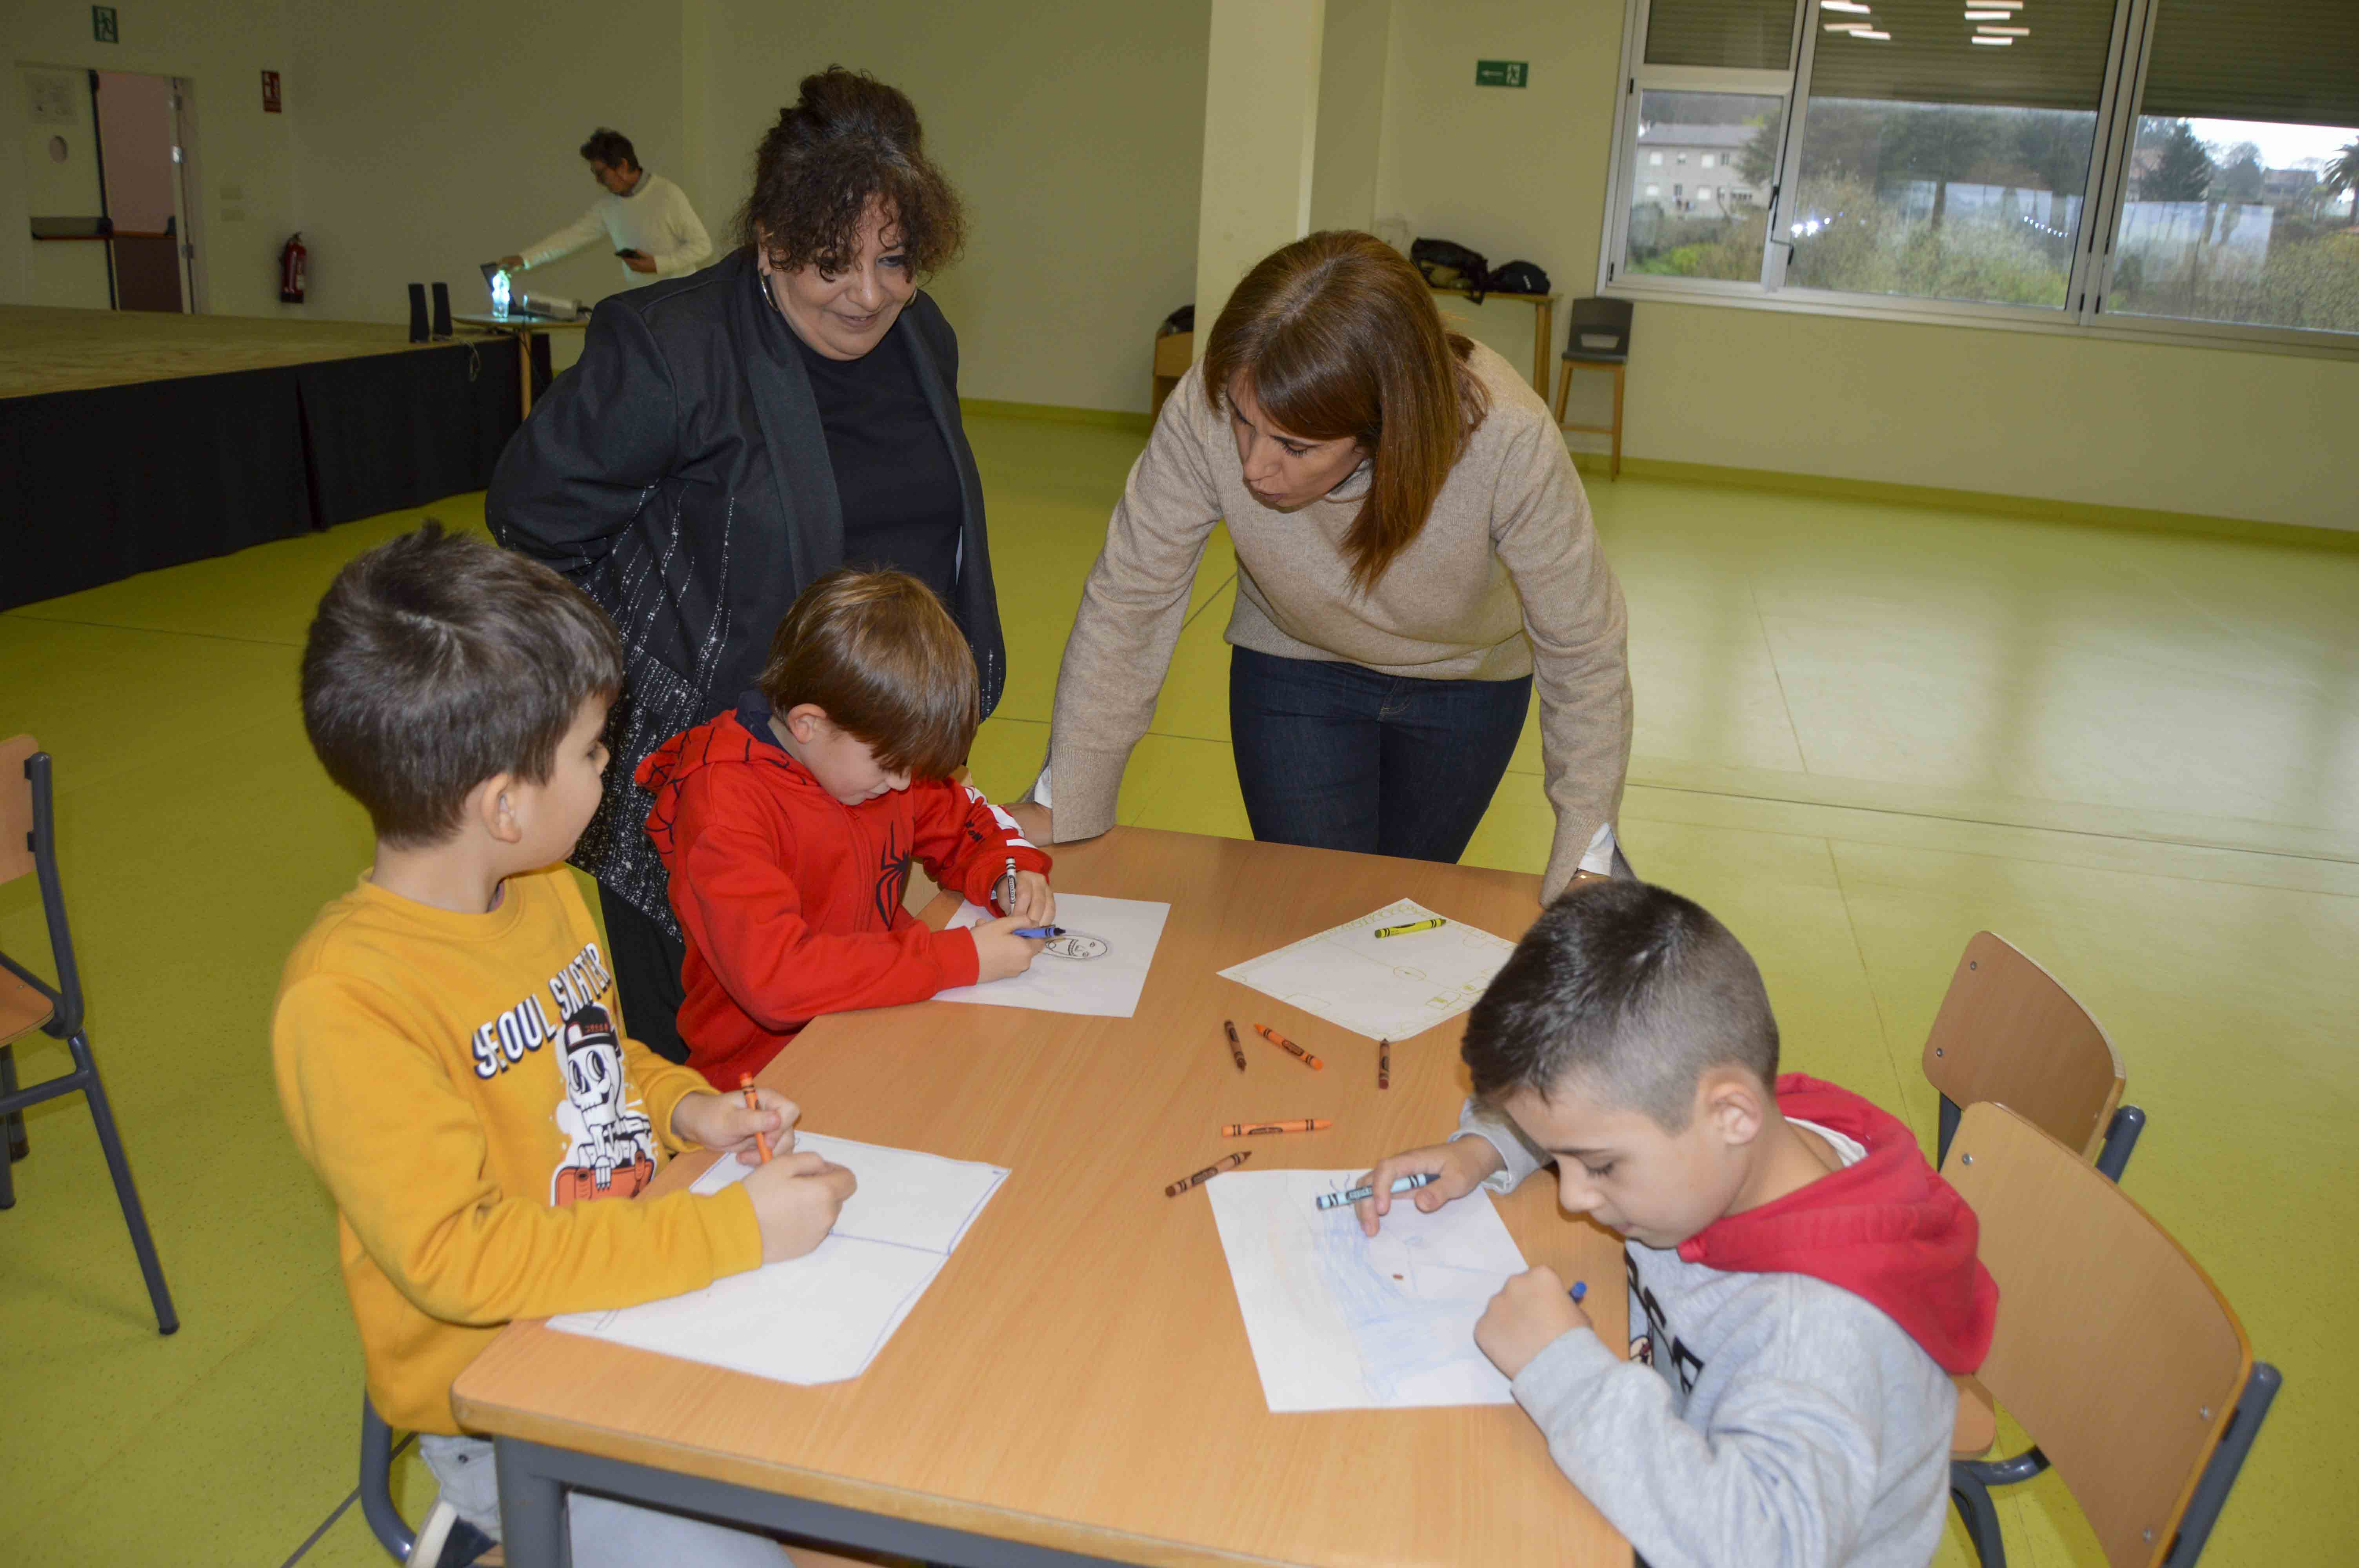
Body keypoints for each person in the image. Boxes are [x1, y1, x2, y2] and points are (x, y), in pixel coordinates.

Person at [273, 524, 861, 1567]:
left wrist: (688, 1107)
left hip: (627, 1289)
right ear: (504, 805)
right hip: (503, 1405)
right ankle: (489, 1539)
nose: (613, 769)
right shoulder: (348, 1003)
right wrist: (735, 1237)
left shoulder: (542, 889)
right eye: (593, 752)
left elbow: (593, 1060)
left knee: (863, 1442)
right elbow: (464, 1261)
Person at [491, 69, 1003, 1065]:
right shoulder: (671, 346)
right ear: (768, 239)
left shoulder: (919, 338)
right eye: (829, 262)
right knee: (701, 1078)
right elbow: (533, 519)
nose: (868, 296)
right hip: (711, 785)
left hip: (857, 769)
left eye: (895, 261)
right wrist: (641, 682)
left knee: (845, 1041)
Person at [1356, 881, 1997, 1568]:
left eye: (1599, 1167)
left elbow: (1764, 1550)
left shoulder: (1816, 1335)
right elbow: (1601, 1106)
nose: (1573, 1198)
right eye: (1564, 1157)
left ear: (1732, 1115)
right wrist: (1484, 1150)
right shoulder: (1736, 1133)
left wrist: (1563, 1371)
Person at [1009, 230, 1631, 903]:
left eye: (1295, 445)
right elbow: (1130, 597)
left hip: (1465, 684)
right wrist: (1066, 795)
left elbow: (1583, 647)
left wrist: (1588, 849)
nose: (1252, 466)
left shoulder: (1508, 437)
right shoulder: (1210, 400)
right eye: (1245, 425)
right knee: (1310, 906)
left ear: (1383, 428)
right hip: (1295, 666)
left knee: (1397, 906)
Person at [639, 569, 1054, 1089]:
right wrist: (959, 958)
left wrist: (1007, 871)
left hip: (880, 1036)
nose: (904, 783)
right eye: (888, 766)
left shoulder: (864, 761)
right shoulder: (725, 803)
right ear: (808, 724)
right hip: (763, 1087)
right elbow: (778, 981)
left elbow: (965, 819)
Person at [497, 127, 713, 285]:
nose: (599, 181)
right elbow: (572, 237)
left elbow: (703, 246)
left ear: (623, 166)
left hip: (680, 302)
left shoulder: (667, 194)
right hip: (641, 306)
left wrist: (659, 264)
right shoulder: (608, 207)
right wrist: (525, 259)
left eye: (601, 174)